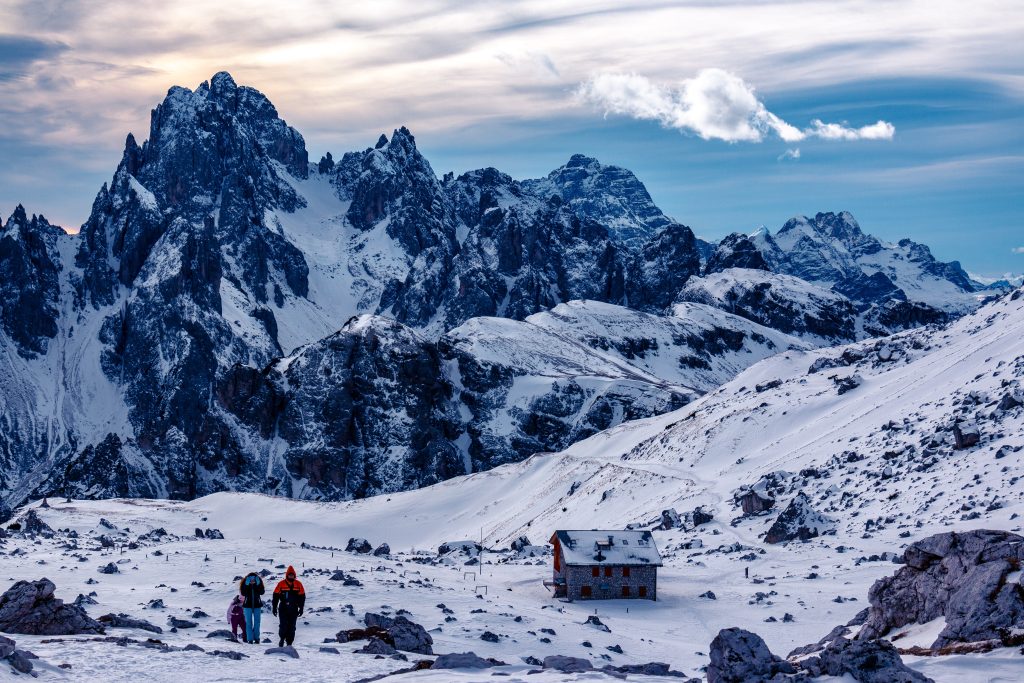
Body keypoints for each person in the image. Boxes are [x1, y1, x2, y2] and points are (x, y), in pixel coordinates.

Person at [272, 566, 305, 647]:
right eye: (289, 575)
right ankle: (282, 639)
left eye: (292, 575)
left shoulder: (298, 584)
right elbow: (275, 596)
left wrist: (301, 608)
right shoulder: (281, 584)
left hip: (294, 608)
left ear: (294, 575)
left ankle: (289, 643)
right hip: (283, 607)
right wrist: (274, 607)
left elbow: (302, 597)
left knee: (292, 626)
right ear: (287, 575)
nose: (291, 576)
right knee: (283, 625)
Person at [239, 572, 265, 644]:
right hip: (247, 605)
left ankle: (257, 638)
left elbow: (262, 592)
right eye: (251, 580)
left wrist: (258, 584)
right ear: (248, 579)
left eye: (253, 580)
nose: (252, 581)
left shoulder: (258, 583)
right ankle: (250, 639)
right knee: (248, 623)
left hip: (257, 605)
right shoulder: (245, 583)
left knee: (257, 623)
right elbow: (243, 593)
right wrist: (247, 585)